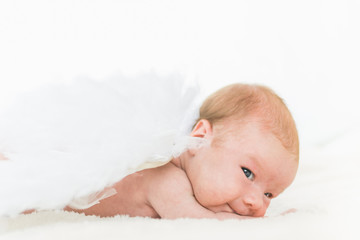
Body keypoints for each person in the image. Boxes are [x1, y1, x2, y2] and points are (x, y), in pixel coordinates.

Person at [65, 83, 299, 220]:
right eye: (248, 173)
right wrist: (270, 224)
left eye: (269, 195)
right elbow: (206, 224)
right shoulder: (164, 178)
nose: (255, 202)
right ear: (200, 139)